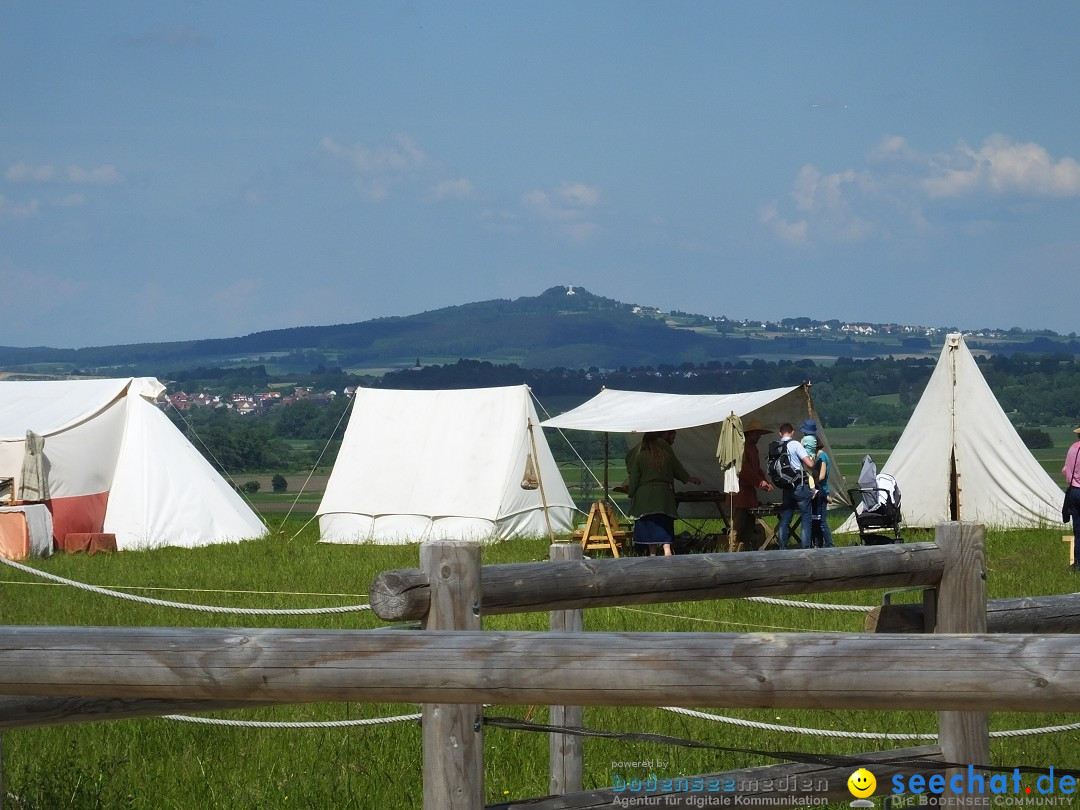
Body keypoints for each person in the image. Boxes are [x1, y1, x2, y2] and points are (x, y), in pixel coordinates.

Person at [627, 430, 702, 556]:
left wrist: (631, 493)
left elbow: (634, 478)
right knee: (664, 522)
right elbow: (678, 469)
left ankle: (652, 553)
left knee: (649, 523)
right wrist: (688, 478)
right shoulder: (666, 456)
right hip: (664, 496)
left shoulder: (640, 457)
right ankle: (667, 551)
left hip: (645, 497)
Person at [729, 419, 774, 551]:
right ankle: (732, 549)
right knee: (738, 525)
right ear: (751, 433)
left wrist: (765, 481)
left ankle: (745, 549)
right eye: (758, 433)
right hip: (740, 492)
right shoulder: (741, 448)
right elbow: (744, 469)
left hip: (749, 494)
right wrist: (760, 482)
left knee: (749, 524)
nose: (759, 436)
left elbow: (757, 469)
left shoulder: (754, 448)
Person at [776, 422, 816, 550]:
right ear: (792, 432)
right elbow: (809, 464)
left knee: (785, 518)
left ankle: (782, 548)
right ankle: (805, 549)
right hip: (799, 485)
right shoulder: (795, 444)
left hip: (786, 486)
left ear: (780, 433)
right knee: (805, 518)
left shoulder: (777, 446)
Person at [802, 434, 834, 548]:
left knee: (822, 521)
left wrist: (810, 481)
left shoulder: (822, 456)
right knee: (816, 520)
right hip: (818, 490)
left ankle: (829, 544)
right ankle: (818, 543)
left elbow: (822, 475)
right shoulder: (817, 456)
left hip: (821, 489)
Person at [1063, 426, 1080, 571]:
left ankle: (1078, 562)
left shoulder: (1073, 449)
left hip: (1074, 491)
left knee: (1078, 529)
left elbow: (1065, 471)